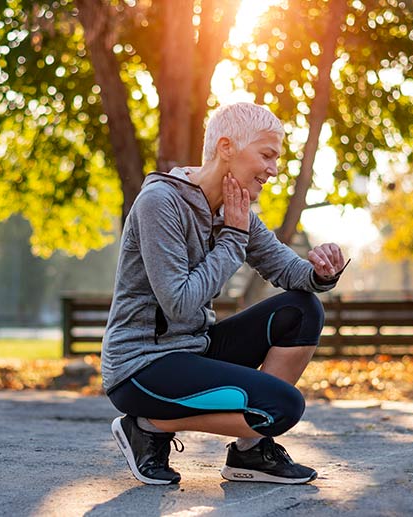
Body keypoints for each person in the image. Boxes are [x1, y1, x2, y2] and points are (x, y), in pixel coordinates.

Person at [101, 102, 347, 486]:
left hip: (192, 350)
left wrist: (321, 272)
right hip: (141, 367)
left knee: (303, 310)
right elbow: (179, 305)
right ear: (227, 147)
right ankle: (147, 426)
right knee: (282, 409)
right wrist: (233, 237)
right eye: (266, 155)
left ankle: (249, 453)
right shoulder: (160, 203)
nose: (274, 169)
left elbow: (286, 269)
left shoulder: (235, 211)